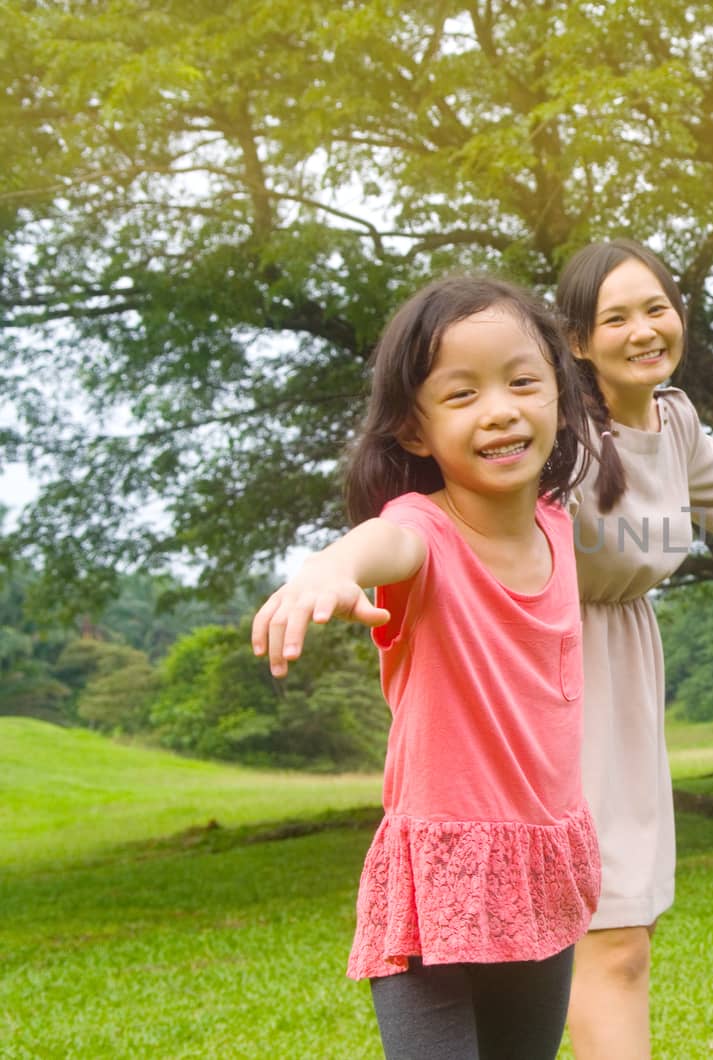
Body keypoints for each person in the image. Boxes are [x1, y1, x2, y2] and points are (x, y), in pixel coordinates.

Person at [251, 277, 600, 1060]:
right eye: (462, 393)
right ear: (415, 429)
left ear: (559, 396)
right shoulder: (424, 532)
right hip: (437, 886)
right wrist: (325, 568)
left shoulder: (557, 526)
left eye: (522, 381)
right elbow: (382, 543)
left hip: (540, 870)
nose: (500, 409)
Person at [553, 239, 713, 1059]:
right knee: (603, 928)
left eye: (656, 308)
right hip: (551, 671)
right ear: (576, 343)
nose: (643, 330)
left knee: (626, 925)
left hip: (626, 667)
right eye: (615, 317)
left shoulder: (675, 416)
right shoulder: (561, 436)